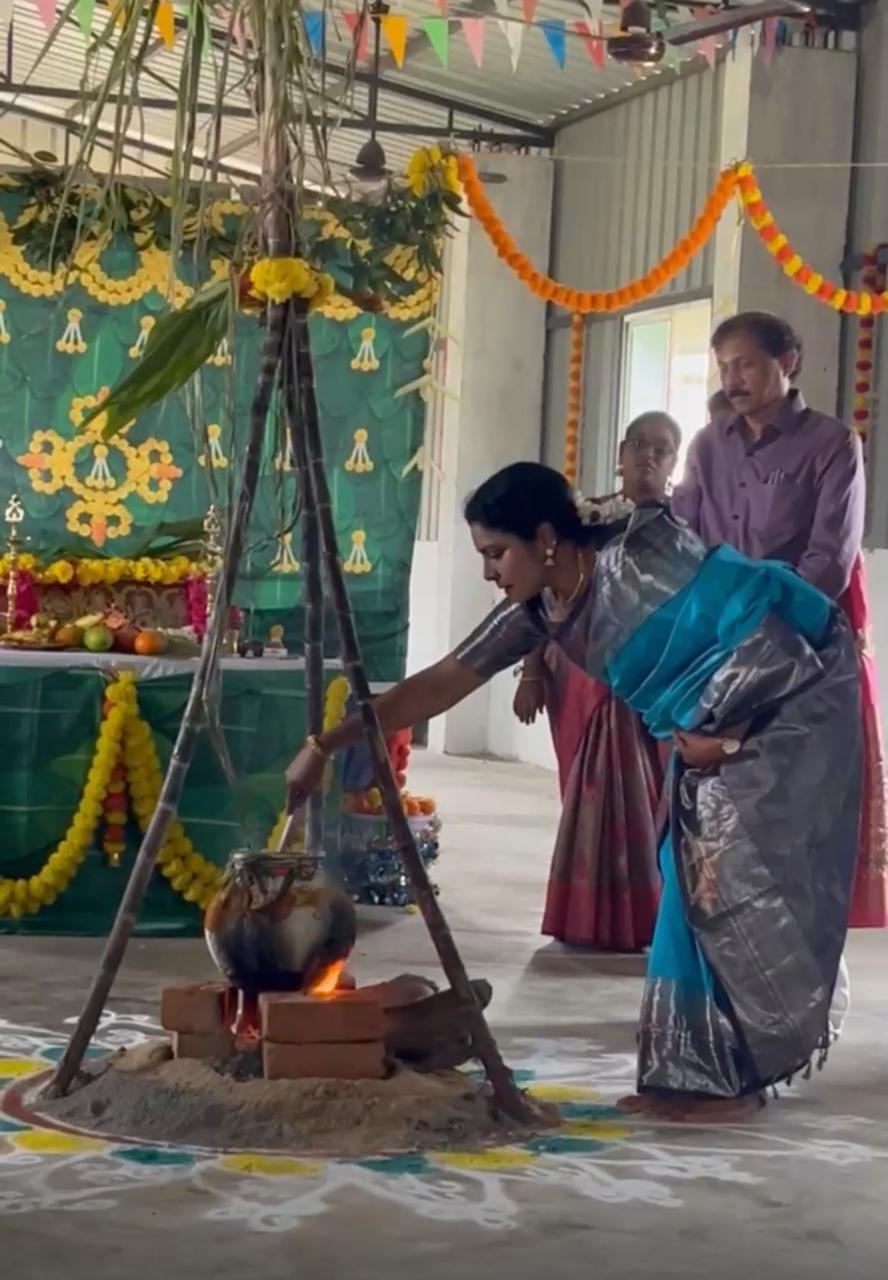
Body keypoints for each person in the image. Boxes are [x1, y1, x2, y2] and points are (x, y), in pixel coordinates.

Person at [286, 461, 862, 1122]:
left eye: (496, 552)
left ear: (545, 538)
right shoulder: (540, 611)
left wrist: (727, 736)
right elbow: (442, 682)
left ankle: (746, 1079)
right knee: (688, 879)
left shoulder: (642, 560)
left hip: (792, 704)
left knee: (734, 883)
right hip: (710, 733)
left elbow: (766, 636)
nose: (488, 572)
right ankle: (688, 1074)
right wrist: (324, 746)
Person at [673, 312, 887, 937]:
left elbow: (830, 560)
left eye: (745, 364)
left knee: (791, 820)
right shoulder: (708, 444)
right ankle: (717, 977)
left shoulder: (831, 444)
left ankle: (804, 990)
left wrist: (766, 632)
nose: (732, 379)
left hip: (797, 650)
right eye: (723, 368)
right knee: (711, 818)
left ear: (787, 362)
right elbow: (685, 537)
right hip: (715, 651)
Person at [514, 413, 680, 952]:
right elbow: (539, 595)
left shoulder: (685, 531)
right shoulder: (585, 522)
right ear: (620, 453)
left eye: (663, 448)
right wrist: (533, 668)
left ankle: (645, 919)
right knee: (587, 796)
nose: (648, 457)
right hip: (580, 681)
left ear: (675, 463)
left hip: (650, 683)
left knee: (649, 801)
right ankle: (590, 917)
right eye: (638, 445)